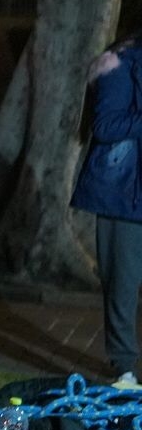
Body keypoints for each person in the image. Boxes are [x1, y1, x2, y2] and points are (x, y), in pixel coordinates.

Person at [73, 34, 142, 390]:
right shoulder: (119, 66)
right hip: (123, 195)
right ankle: (124, 368)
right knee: (123, 285)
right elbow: (104, 127)